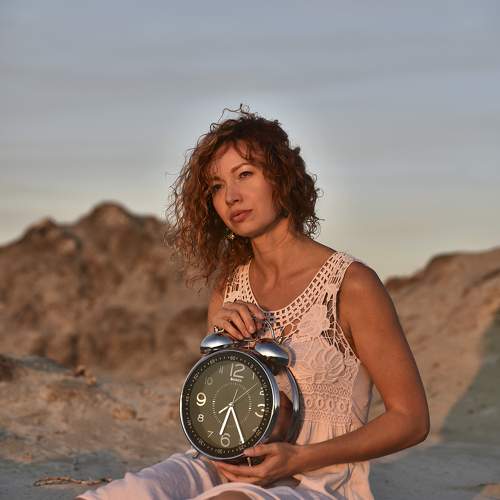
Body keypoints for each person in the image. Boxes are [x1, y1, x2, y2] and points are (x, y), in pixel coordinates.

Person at [77, 105, 429, 500]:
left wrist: (297, 459)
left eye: (245, 174)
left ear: (282, 177)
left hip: (316, 482)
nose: (231, 197)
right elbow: (214, 409)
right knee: (123, 494)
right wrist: (222, 345)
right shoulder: (229, 288)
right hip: (220, 465)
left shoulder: (351, 284)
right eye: (216, 187)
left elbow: (411, 420)